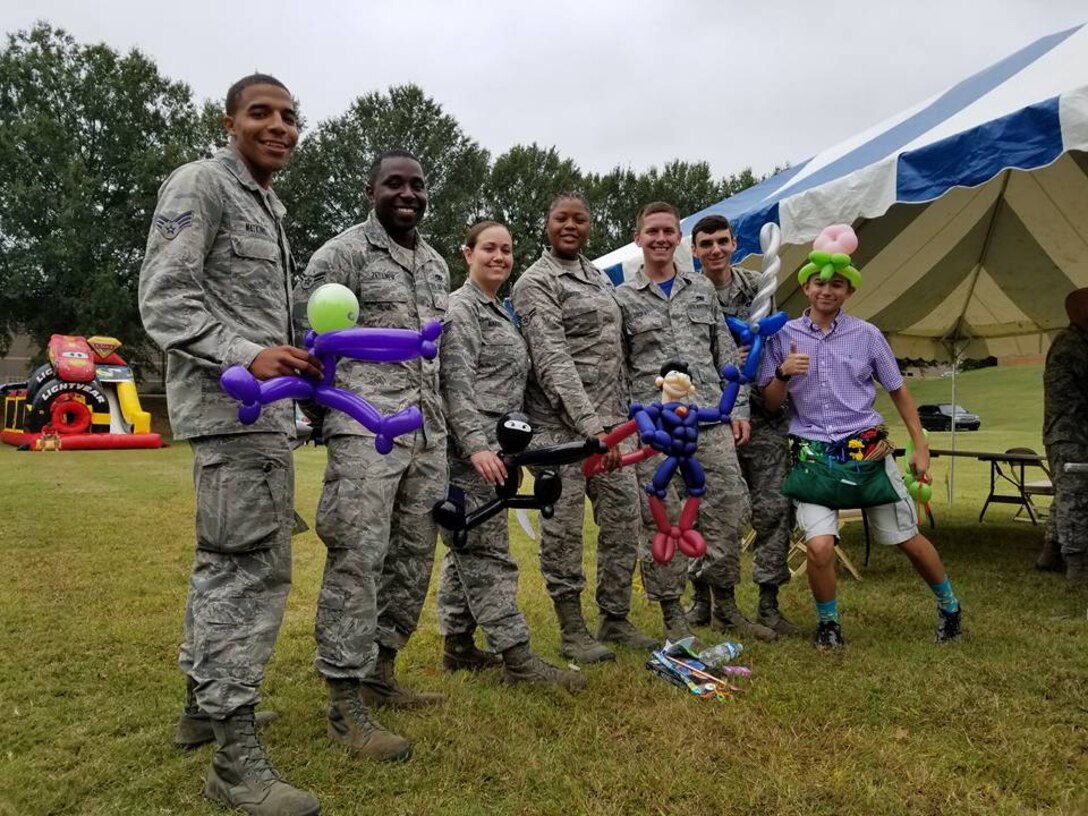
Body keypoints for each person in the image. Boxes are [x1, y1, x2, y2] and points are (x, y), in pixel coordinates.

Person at [139, 74, 321, 815]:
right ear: (230, 122)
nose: (278, 126)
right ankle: (235, 760)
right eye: (261, 114)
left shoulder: (268, 204)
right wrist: (246, 352)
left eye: (288, 116)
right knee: (246, 576)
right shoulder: (201, 184)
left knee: (226, 564)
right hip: (230, 413)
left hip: (261, 416)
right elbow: (164, 298)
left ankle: (198, 711)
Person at [292, 150, 447, 761]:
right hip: (365, 430)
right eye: (395, 184)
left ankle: (382, 669)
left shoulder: (434, 264)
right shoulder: (341, 255)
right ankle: (343, 700)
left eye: (417, 184)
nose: (408, 194)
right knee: (358, 556)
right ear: (371, 190)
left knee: (412, 555)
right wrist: (329, 413)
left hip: (425, 430)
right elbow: (303, 336)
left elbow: (440, 350)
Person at [758, 234, 963, 650]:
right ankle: (828, 625)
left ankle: (950, 607)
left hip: (866, 448)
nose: (826, 290)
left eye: (836, 285)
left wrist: (920, 445)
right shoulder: (783, 336)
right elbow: (768, 403)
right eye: (818, 282)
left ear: (849, 290)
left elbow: (898, 391)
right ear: (807, 286)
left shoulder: (867, 335)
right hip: (812, 452)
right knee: (818, 547)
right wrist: (782, 373)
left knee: (906, 538)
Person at [436, 221, 587, 692]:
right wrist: (477, 446)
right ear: (467, 254)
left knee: (469, 544)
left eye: (506, 250)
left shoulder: (500, 311)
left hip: (499, 447)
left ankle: (457, 644)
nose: (499, 257)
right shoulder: (462, 309)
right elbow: (454, 386)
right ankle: (518, 659)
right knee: (488, 553)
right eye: (489, 249)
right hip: (472, 448)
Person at [510, 193, 655, 663]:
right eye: (561, 218)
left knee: (623, 517)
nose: (571, 226)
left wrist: (618, 425)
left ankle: (614, 617)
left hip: (610, 424)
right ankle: (572, 629)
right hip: (561, 432)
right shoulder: (536, 282)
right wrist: (593, 430)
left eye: (580, 219)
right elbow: (554, 362)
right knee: (565, 529)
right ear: (547, 223)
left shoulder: (597, 277)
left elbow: (615, 354)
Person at [614, 202, 768, 643]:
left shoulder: (700, 289)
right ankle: (672, 614)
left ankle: (724, 605)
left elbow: (726, 356)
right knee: (661, 518)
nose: (661, 239)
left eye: (669, 231)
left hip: (708, 420)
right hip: (657, 429)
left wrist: (737, 411)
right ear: (638, 238)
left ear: (679, 239)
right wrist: (631, 423)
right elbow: (618, 368)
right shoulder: (622, 299)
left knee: (727, 509)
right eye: (653, 232)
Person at [688, 214, 801, 637]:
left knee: (774, 507)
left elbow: (783, 335)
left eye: (722, 241)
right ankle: (705, 598)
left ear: (734, 243)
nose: (715, 250)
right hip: (711, 414)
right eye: (706, 243)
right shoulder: (688, 294)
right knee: (709, 511)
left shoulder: (759, 288)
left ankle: (769, 603)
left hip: (764, 412)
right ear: (695, 250)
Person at [1040, 288, 1088, 586]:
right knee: (1076, 496)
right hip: (1070, 435)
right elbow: (1073, 397)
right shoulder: (1071, 345)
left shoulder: (1078, 342)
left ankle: (1052, 552)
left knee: (1068, 493)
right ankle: (1077, 563)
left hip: (1072, 433)